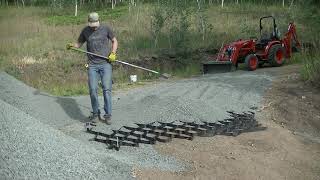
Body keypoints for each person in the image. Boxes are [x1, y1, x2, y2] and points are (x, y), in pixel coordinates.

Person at [67, 12, 118, 124]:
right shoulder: (85, 31)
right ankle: (95, 113)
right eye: (92, 24)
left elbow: (114, 41)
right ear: (89, 22)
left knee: (106, 89)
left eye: (96, 24)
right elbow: (79, 44)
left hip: (105, 63)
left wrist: (113, 53)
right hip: (92, 65)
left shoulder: (106, 28)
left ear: (98, 21)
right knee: (93, 90)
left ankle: (108, 115)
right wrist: (72, 45)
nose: (94, 26)